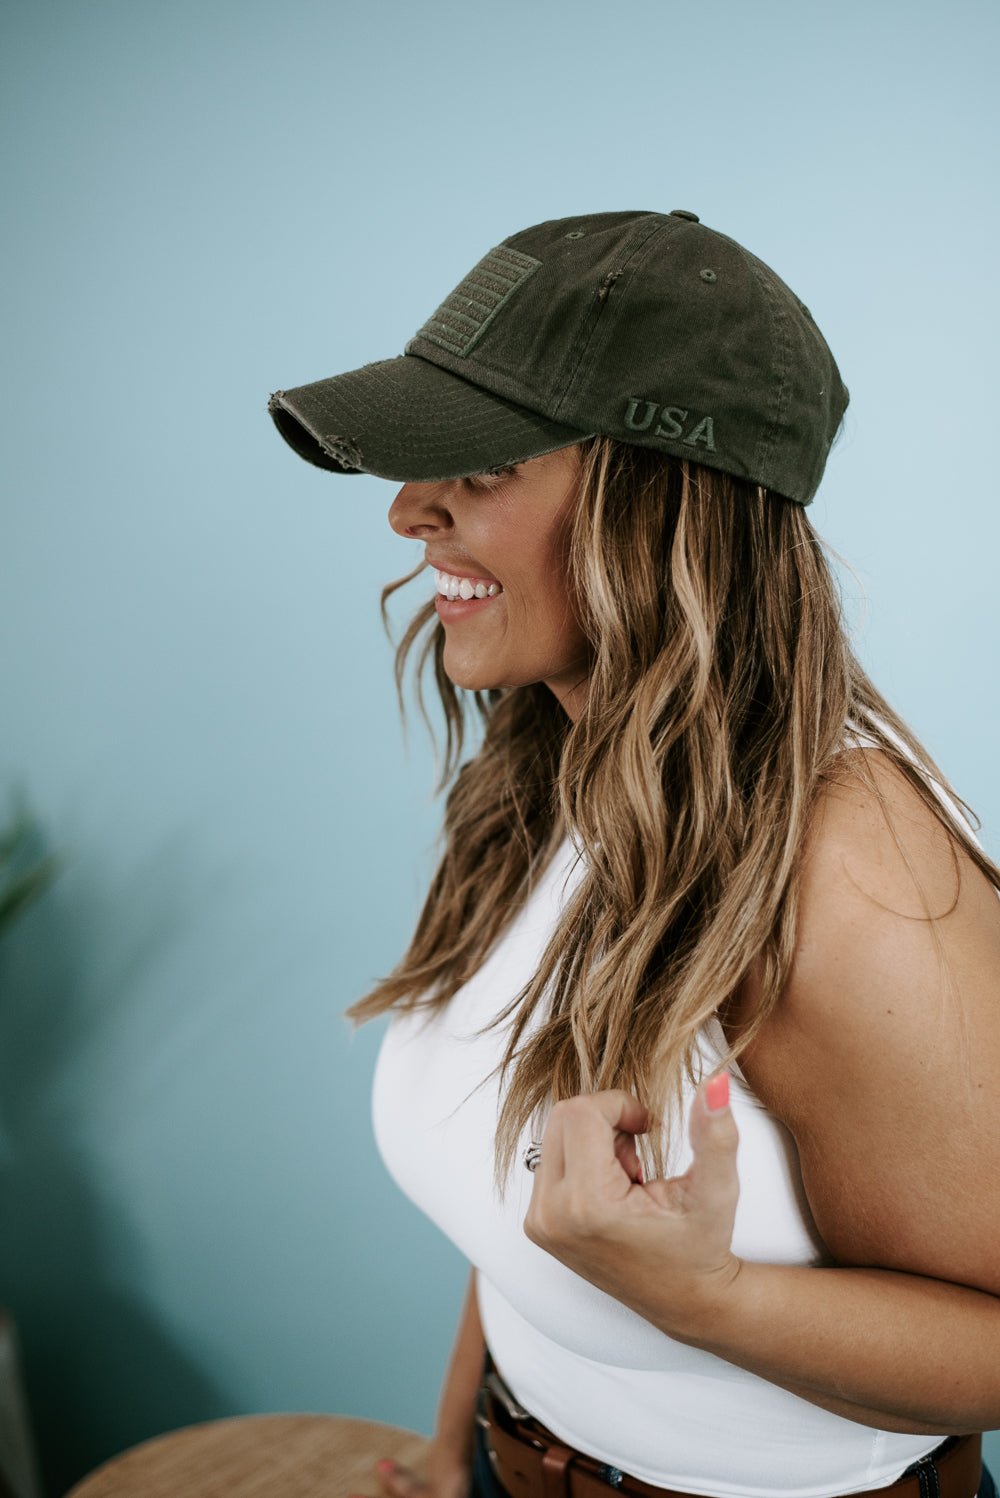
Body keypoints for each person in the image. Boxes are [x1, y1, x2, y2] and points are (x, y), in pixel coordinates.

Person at [268, 210, 1000, 1498]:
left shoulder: (848, 870)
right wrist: (458, 1447)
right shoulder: (552, 761)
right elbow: (521, 1195)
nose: (405, 511)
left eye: (485, 465)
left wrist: (705, 1297)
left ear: (661, 505)